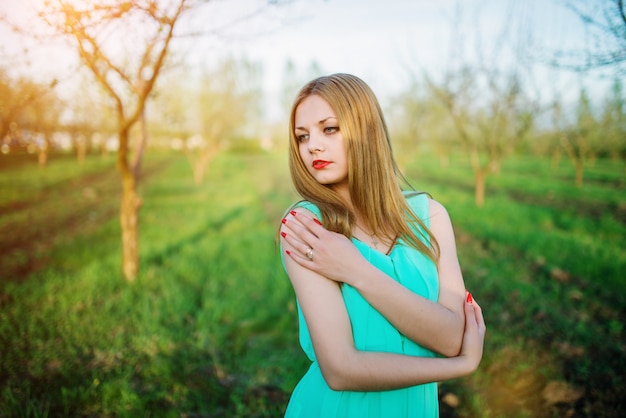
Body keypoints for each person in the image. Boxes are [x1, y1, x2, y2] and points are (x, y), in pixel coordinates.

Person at [278, 73, 486, 418]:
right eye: (302, 136)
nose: (312, 145)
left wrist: (355, 270)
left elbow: (451, 337)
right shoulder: (306, 225)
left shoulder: (429, 217)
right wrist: (458, 367)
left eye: (329, 129)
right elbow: (341, 369)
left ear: (366, 130)